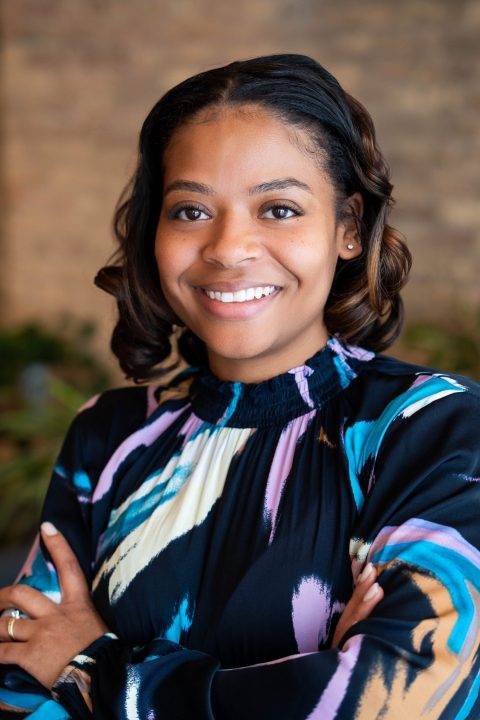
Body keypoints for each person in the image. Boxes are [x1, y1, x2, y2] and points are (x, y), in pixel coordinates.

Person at [0, 53, 479, 719]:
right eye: (191, 211)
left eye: (278, 208)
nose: (228, 247)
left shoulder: (428, 427)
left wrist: (95, 667)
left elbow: (392, 701)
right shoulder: (108, 435)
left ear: (347, 227)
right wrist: (301, 682)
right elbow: (20, 689)